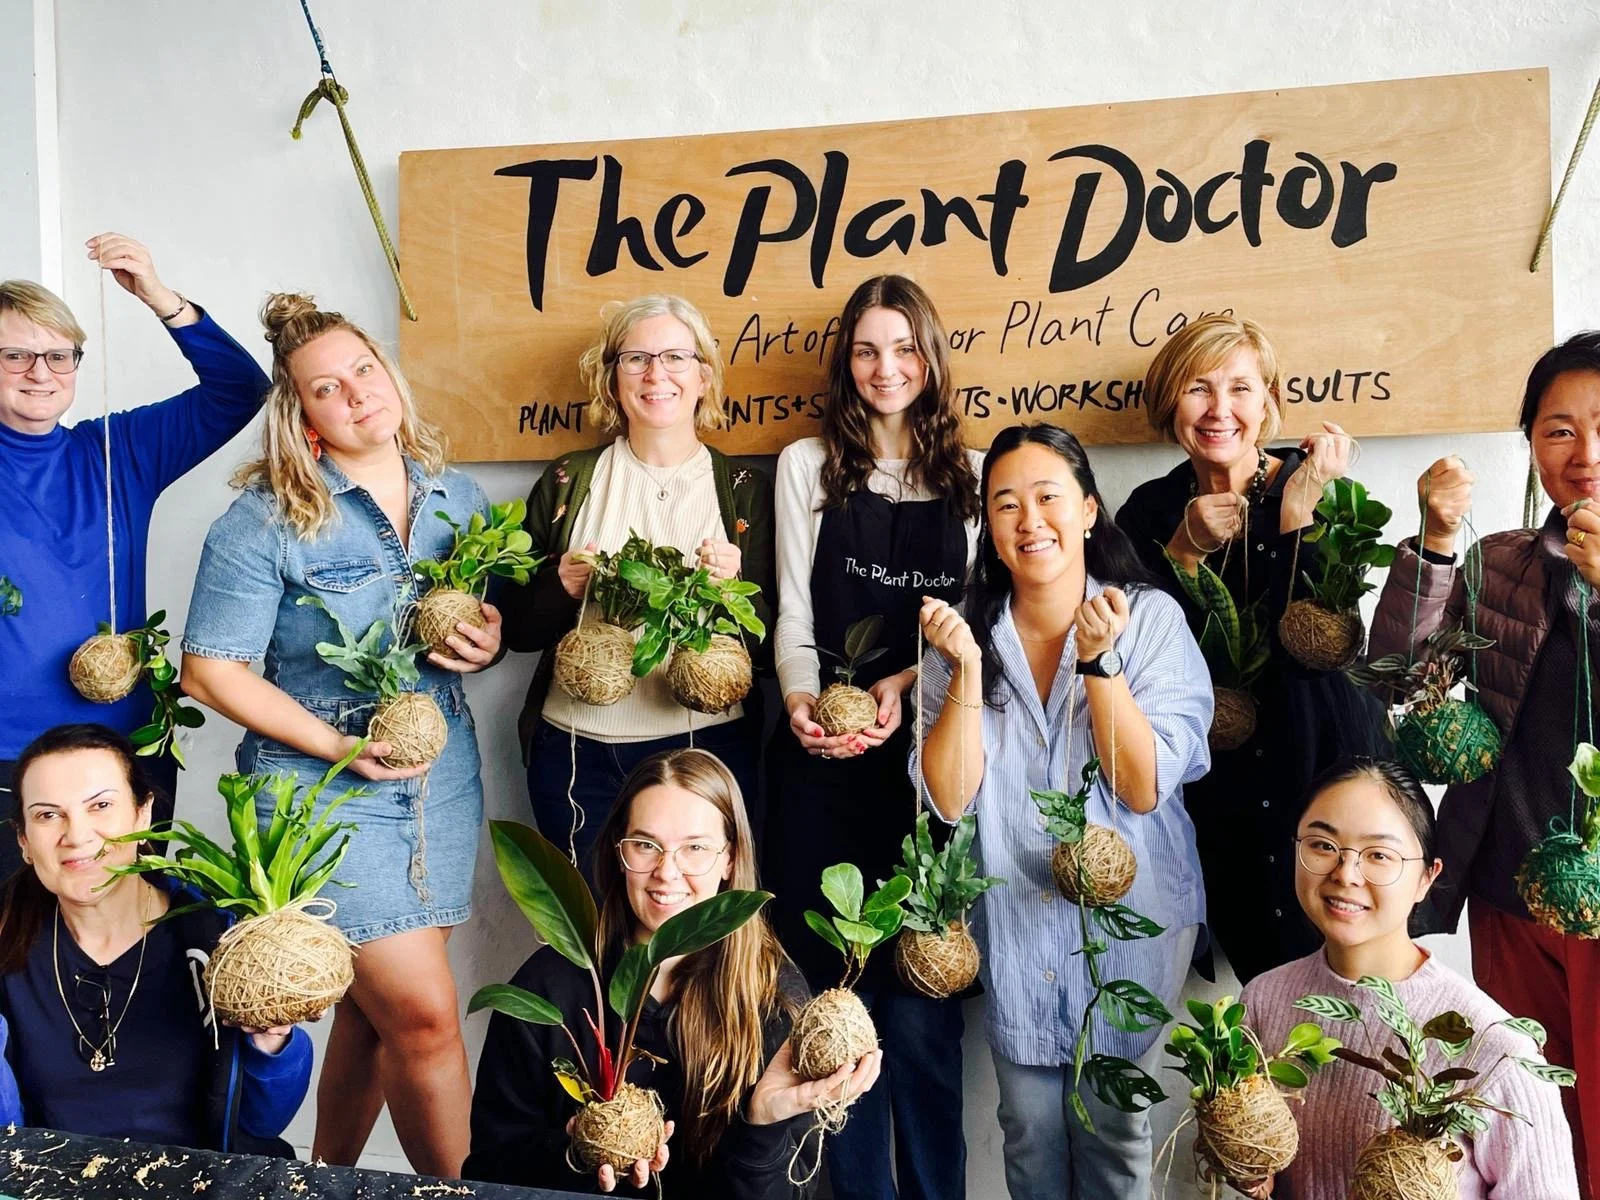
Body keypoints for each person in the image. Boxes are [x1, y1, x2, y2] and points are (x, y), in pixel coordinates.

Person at [179, 294, 499, 1176]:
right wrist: (337, 747)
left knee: (369, 1011)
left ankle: (324, 1180)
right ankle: (452, 1197)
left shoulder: (456, 497)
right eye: (328, 387)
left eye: (364, 369)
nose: (357, 395)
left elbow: (465, 621)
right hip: (327, 797)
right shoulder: (268, 520)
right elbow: (209, 669)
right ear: (301, 412)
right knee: (427, 1020)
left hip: (441, 783)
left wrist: (487, 637)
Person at [914, 423, 1212, 1199]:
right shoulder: (961, 635)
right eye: (1005, 504)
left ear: (1087, 510)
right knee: (1031, 1141)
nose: (1029, 520)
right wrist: (969, 672)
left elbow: (1142, 786)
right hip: (1013, 932)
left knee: (1116, 1145)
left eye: (1048, 497)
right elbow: (949, 797)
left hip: (1131, 938)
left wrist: (1098, 661)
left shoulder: (1147, 620)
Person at [1367, 330, 1600, 1198]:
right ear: (1532, 444)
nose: (1584, 456)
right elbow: (1399, 666)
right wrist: (1434, 540)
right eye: (1559, 431)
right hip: (1513, 895)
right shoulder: (1500, 563)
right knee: (1534, 1122)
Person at [763, 274, 981, 1200]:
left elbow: (978, 629)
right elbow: (792, 616)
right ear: (845, 362)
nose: (885, 368)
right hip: (817, 777)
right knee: (830, 1021)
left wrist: (903, 683)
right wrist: (805, 705)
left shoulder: (971, 481)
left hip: (927, 773)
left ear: (930, 358)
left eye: (903, 348)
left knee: (924, 1027)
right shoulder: (805, 466)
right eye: (865, 349)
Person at [464, 747, 882, 1197]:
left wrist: (763, 1119)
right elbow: (488, 1170)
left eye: (696, 848)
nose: (667, 872)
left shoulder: (772, 993)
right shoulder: (549, 987)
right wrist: (575, 1153)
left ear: (729, 859)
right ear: (617, 850)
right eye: (645, 845)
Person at [1117, 314, 1389, 983]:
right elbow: (1136, 659)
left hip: (1321, 765)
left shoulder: (1321, 488)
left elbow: (1325, 649)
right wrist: (1184, 552)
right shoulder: (1148, 512)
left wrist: (1299, 516)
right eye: (1197, 388)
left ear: (1269, 401)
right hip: (1222, 789)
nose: (1220, 410)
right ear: (1169, 402)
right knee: (1265, 984)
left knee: (1356, 978)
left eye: (1240, 389)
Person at [0, 236, 270, 878]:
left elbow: (239, 391)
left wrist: (158, 296)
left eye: (58, 355)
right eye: (15, 355)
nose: (41, 371)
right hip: (8, 760)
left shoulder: (117, 452)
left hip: (126, 749)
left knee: (126, 942)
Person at [500, 295, 774, 879]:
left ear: (704, 375)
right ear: (611, 378)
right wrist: (563, 586)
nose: (656, 375)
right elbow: (515, 629)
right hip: (577, 750)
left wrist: (736, 588)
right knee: (593, 931)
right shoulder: (569, 480)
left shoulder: (747, 489)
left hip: (708, 746)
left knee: (697, 934)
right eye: (636, 358)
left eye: (676, 356)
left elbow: (779, 638)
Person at [1240, 758, 1580, 1199]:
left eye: (1379, 855)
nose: (1345, 874)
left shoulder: (1496, 1051)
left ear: (1427, 878)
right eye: (1323, 845)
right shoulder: (1263, 1001)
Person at [0, 724, 311, 1155]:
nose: (76, 835)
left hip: (198, 1181)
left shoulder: (219, 938)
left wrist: (271, 1038)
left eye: (101, 806)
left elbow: (261, 1121)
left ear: (143, 815)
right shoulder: (8, 943)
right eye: (48, 814)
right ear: (24, 841)